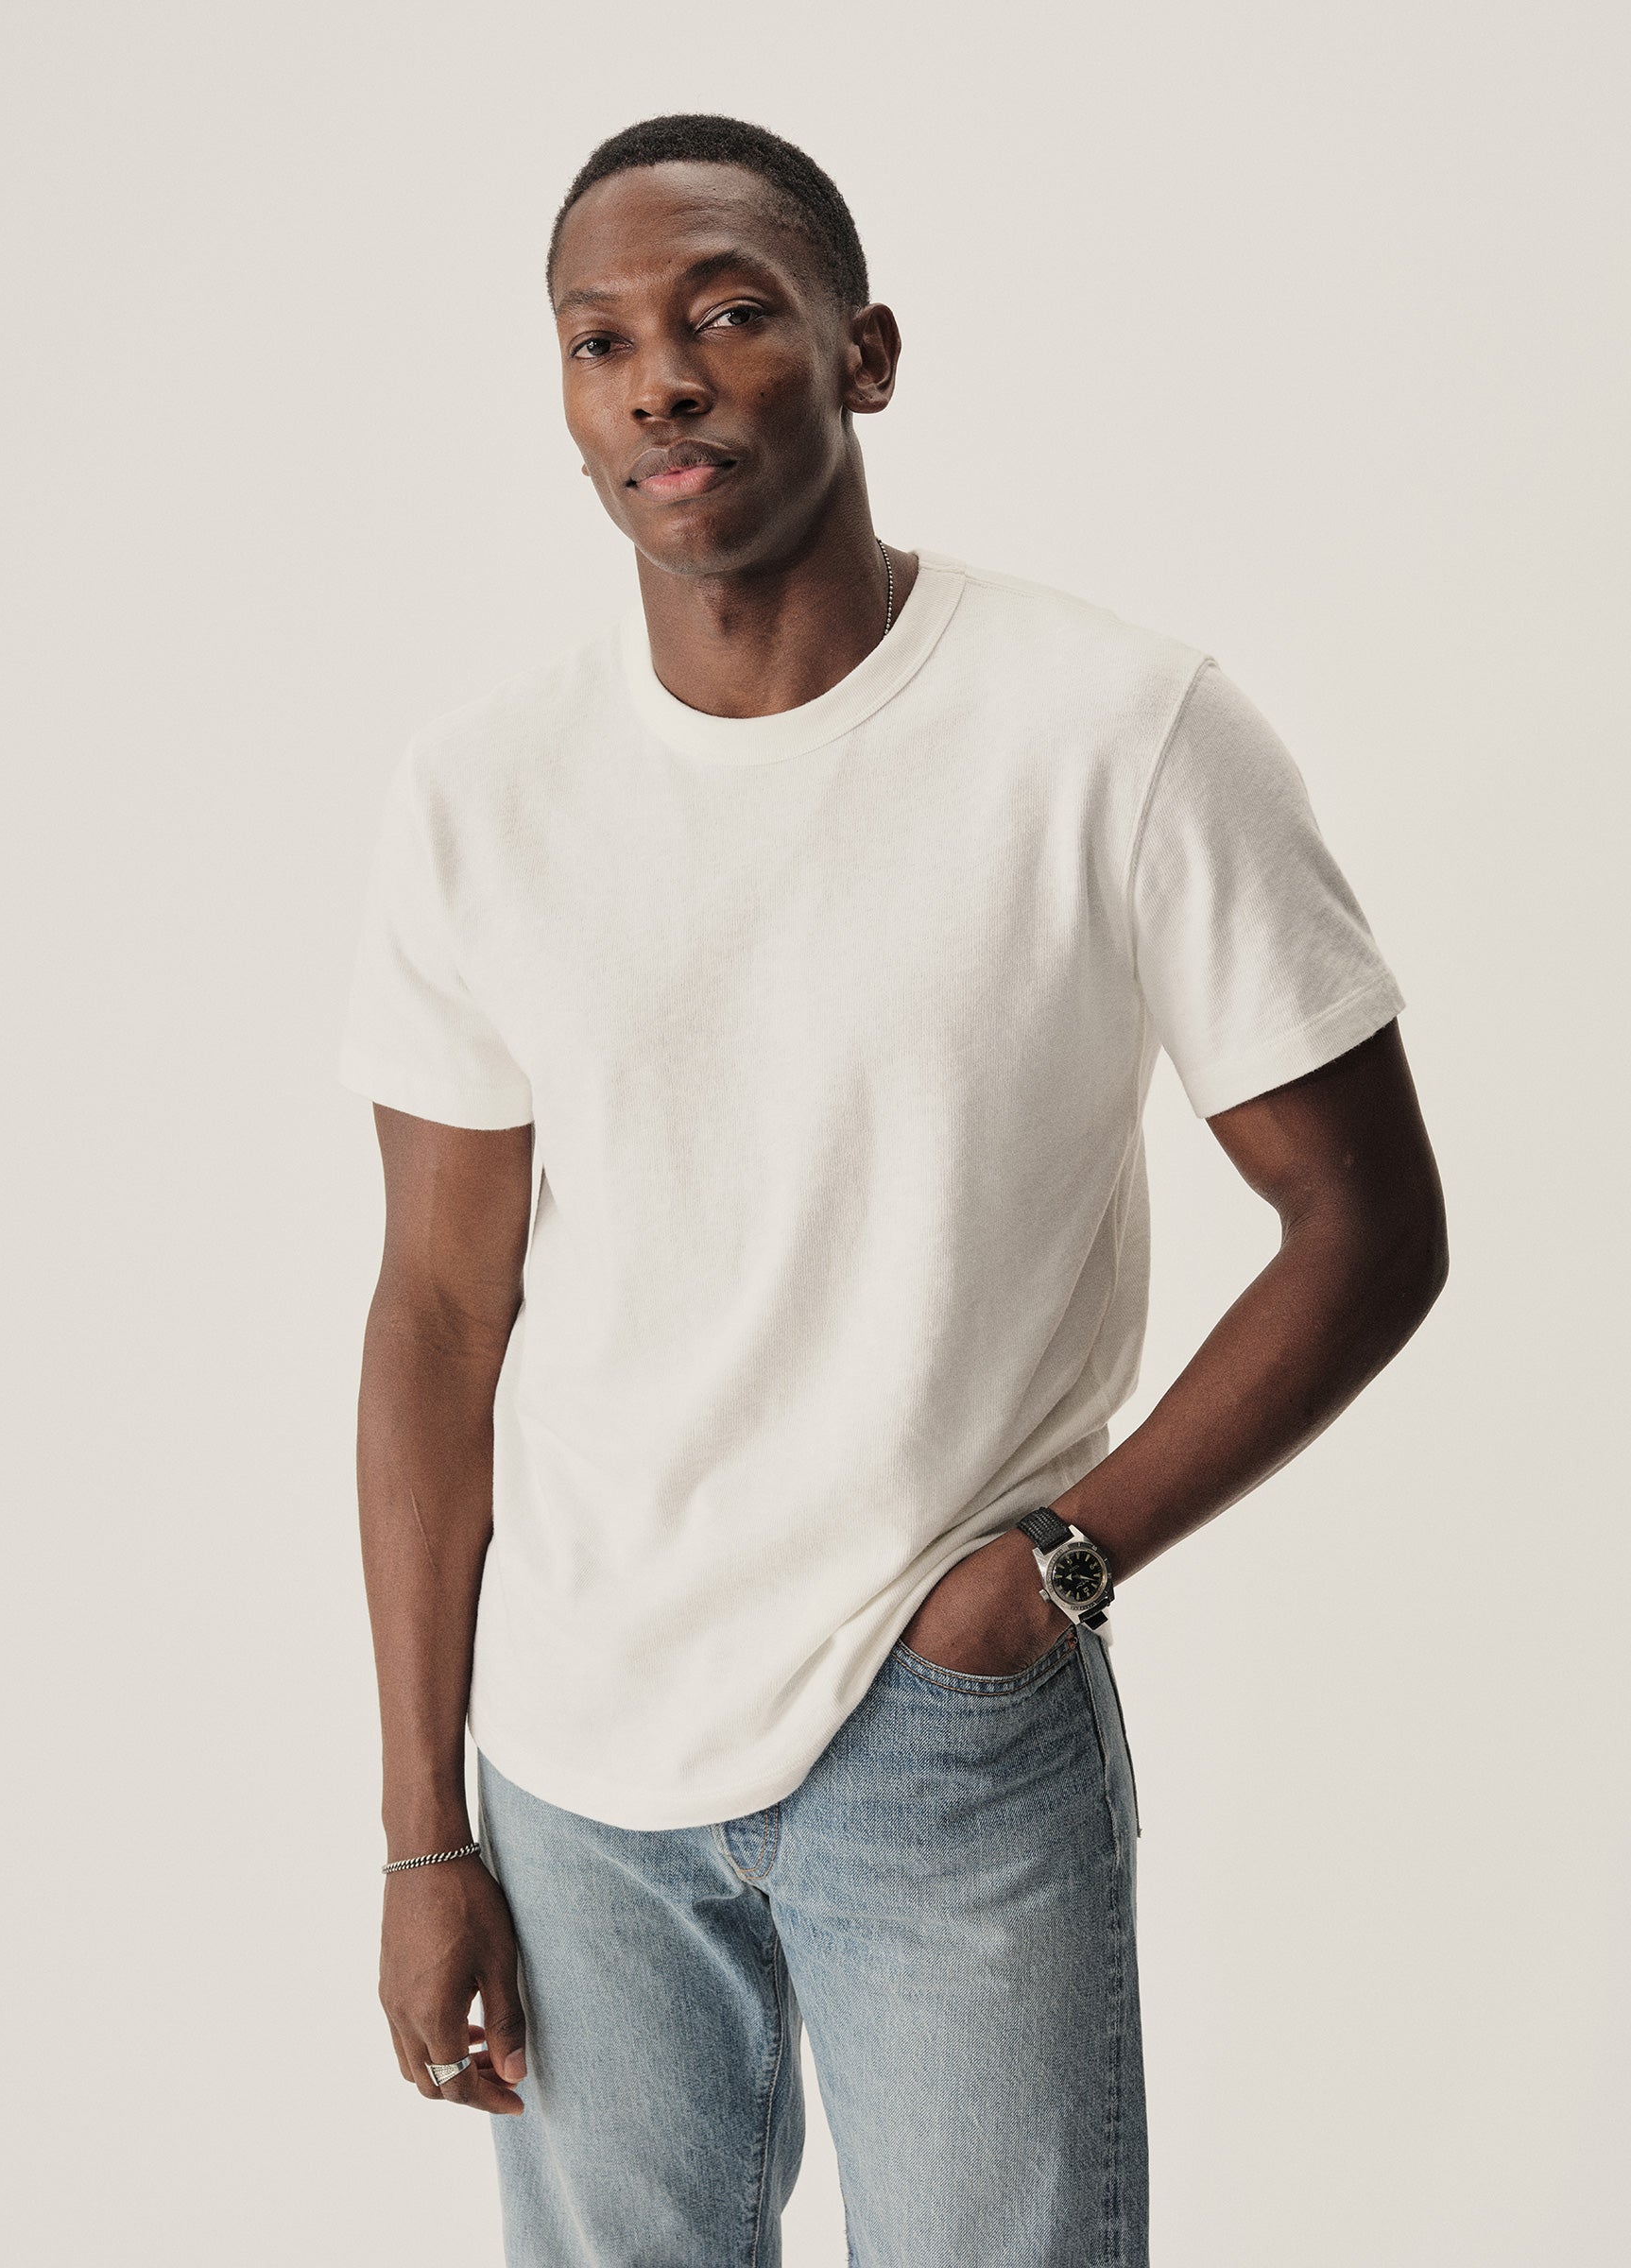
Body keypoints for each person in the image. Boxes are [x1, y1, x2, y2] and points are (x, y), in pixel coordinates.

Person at [340, 112, 1447, 2268]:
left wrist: (1054, 1567)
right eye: (598, 341)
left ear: (866, 354)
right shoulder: (483, 796)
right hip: (573, 1754)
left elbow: (1367, 1225)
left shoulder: (1115, 732)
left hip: (938, 1723)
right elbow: (438, 1321)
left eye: (728, 312)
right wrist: (420, 1834)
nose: (661, 380)